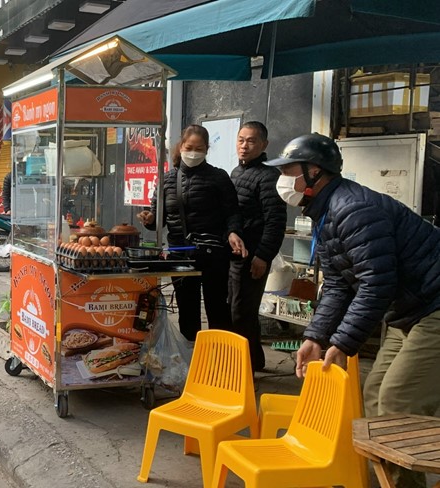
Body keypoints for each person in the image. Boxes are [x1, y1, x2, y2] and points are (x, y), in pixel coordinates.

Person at [267, 134, 440, 488]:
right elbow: (338, 284)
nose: (283, 178)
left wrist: (343, 343)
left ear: (315, 171)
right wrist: (315, 336)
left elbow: (376, 284)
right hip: (409, 309)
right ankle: (397, 481)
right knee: (375, 392)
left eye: (289, 170)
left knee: (398, 397)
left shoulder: (354, 209)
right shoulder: (326, 211)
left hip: (434, 305)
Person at [137, 124, 247, 341]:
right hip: (180, 255)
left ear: (207, 150)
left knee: (218, 311)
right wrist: (150, 220)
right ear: (181, 147)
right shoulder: (168, 179)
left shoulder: (218, 177)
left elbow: (232, 212)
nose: (194, 152)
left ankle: (220, 361)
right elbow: (157, 218)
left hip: (214, 254)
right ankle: (191, 361)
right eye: (189, 147)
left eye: (199, 148)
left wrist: (233, 232)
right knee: (187, 311)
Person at [228, 122, 287, 372]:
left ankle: (243, 366)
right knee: (240, 309)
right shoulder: (236, 172)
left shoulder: (268, 176)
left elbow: (276, 221)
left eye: (251, 141)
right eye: (241, 140)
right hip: (235, 253)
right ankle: (253, 360)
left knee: (242, 311)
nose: (244, 145)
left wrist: (263, 256)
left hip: (253, 255)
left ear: (264, 145)